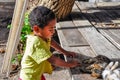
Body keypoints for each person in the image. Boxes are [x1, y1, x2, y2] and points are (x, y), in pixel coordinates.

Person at [19, 6, 80, 80]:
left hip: (37, 73)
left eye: (54, 28)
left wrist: (65, 52)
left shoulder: (42, 35)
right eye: (51, 29)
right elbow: (52, 59)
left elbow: (51, 41)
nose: (53, 32)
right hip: (29, 77)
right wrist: (69, 64)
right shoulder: (35, 42)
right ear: (36, 28)